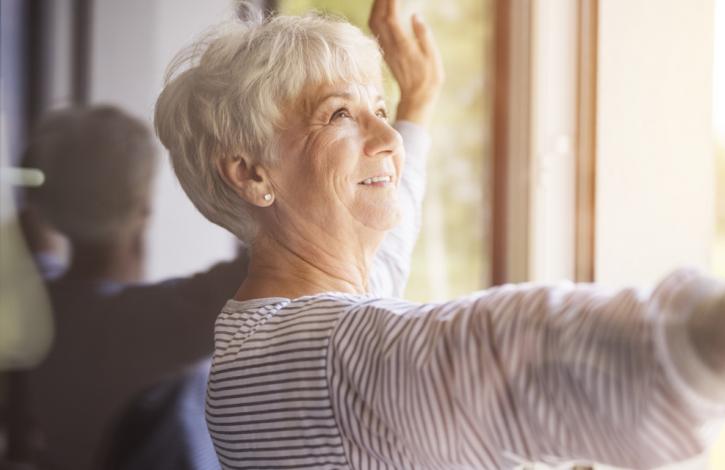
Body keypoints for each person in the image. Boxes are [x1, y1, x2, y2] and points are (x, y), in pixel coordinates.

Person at [153, 0, 725, 467]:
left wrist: (417, 103)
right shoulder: (325, 361)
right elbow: (505, 354)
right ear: (251, 174)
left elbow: (386, 239)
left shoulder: (261, 334)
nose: (386, 135)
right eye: (340, 114)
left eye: (377, 106)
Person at [21, 79, 431, 470]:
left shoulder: (41, 310)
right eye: (339, 115)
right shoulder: (165, 322)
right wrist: (411, 114)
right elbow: (317, 247)